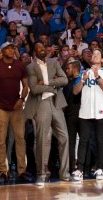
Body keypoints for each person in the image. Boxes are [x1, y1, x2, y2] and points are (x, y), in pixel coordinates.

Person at [25, 41, 70, 186]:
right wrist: (52, 86)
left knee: (64, 137)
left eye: (43, 47)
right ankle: (41, 174)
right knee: (42, 139)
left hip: (56, 103)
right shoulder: (31, 67)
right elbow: (33, 89)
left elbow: (64, 79)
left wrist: (45, 82)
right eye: (38, 48)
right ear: (34, 52)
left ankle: (65, 173)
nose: (42, 49)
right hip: (41, 105)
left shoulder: (54, 62)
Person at [0, 42, 29, 184]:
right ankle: (3, 171)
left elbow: (26, 85)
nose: (11, 50)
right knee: (0, 140)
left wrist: (22, 99)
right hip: (0, 107)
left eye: (13, 48)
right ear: (3, 50)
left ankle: (21, 170)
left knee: (20, 139)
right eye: (8, 48)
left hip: (16, 107)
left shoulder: (20, 65)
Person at [71, 48, 103, 182]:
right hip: (85, 111)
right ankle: (80, 169)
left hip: (100, 111)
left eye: (97, 54)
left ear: (101, 59)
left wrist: (97, 76)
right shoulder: (83, 73)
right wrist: (83, 80)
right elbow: (75, 92)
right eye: (93, 54)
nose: (94, 55)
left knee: (100, 141)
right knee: (83, 141)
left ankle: (100, 168)